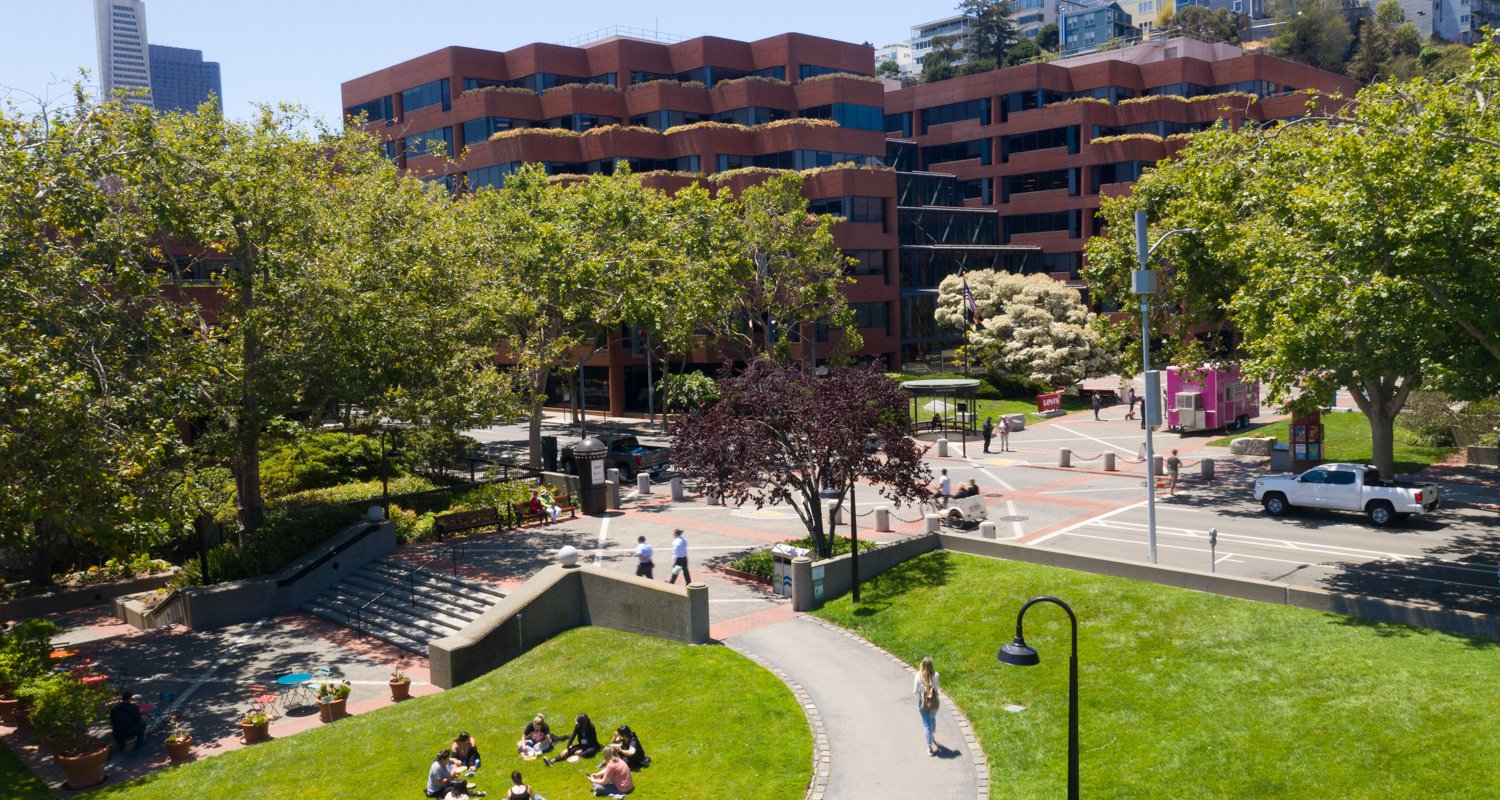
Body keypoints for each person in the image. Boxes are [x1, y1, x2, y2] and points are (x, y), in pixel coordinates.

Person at [914, 656, 941, 755]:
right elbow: (936, 688)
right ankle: (932, 734)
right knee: (932, 718)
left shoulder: (918, 676)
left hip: (923, 703)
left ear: (922, 665)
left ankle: (930, 748)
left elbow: (915, 691)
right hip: (934, 702)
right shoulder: (936, 675)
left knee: (926, 724)